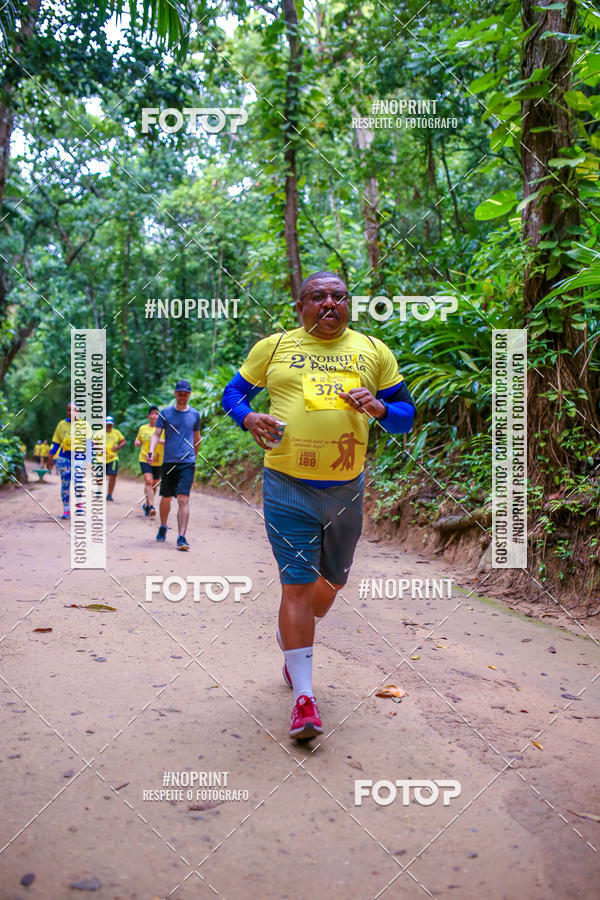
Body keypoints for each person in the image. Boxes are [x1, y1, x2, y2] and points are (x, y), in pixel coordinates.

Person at [222, 271, 415, 740]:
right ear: (301, 305)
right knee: (297, 584)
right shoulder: (274, 348)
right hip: (286, 484)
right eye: (318, 296)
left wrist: (381, 409)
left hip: (346, 488)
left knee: (329, 586)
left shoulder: (373, 350)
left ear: (349, 304)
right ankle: (304, 698)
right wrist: (248, 417)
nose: (330, 302)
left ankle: (292, 640)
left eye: (339, 296)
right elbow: (232, 394)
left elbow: (406, 417)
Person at [147, 379, 201, 550]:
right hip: (169, 462)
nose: (182, 397)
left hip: (187, 462)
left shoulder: (195, 414)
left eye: (185, 394)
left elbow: (197, 439)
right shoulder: (165, 413)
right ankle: (163, 526)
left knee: (184, 499)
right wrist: (151, 450)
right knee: (166, 498)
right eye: (180, 393)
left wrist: (194, 458)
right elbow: (156, 435)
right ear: (175, 394)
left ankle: (181, 537)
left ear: (189, 395)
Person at [47, 403, 85, 518]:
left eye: (74, 410)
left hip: (79, 458)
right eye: (69, 410)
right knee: (65, 484)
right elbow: (56, 443)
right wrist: (50, 458)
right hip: (64, 459)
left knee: (78, 483)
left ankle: (79, 508)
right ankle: (66, 510)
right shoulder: (61, 424)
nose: (71, 413)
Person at [134, 406, 164, 516]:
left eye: (156, 413)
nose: (154, 415)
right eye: (152, 413)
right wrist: (137, 442)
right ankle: (151, 506)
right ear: (148, 416)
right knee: (148, 481)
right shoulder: (143, 428)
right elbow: (138, 440)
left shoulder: (163, 429)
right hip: (144, 458)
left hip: (158, 460)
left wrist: (161, 441)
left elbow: (169, 442)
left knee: (154, 484)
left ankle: (147, 504)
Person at [103, 416, 126, 501]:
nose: (109, 426)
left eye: (110, 424)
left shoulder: (116, 432)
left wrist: (118, 447)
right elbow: (92, 443)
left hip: (113, 458)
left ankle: (109, 495)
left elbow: (123, 441)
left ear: (112, 425)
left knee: (113, 475)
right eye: (107, 424)